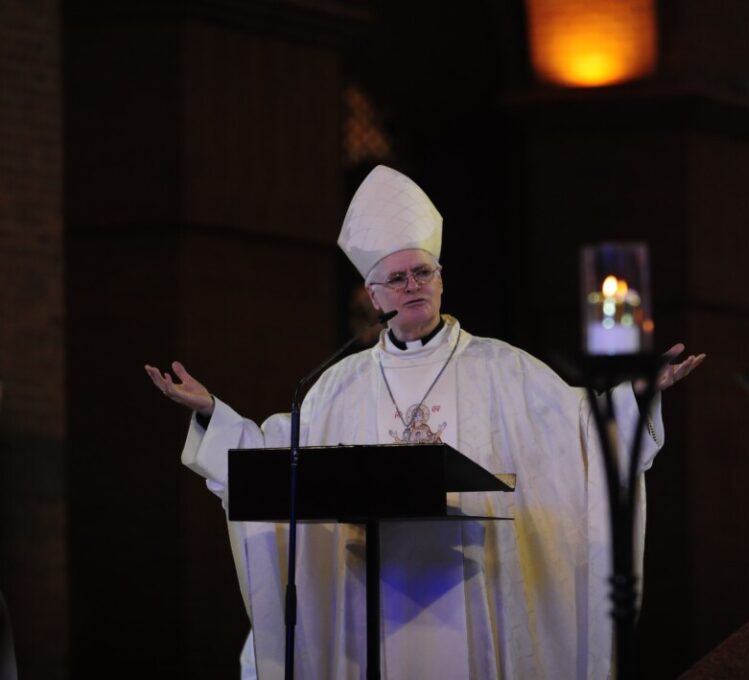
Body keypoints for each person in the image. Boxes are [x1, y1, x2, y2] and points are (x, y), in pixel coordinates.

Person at [145, 165, 704, 680]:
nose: (412, 285)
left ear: (441, 279)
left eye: (422, 272)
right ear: (373, 295)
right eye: (397, 278)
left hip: (473, 586)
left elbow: (582, 435)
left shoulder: (503, 368)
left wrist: (634, 397)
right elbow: (276, 460)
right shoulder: (338, 385)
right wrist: (214, 414)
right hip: (373, 591)